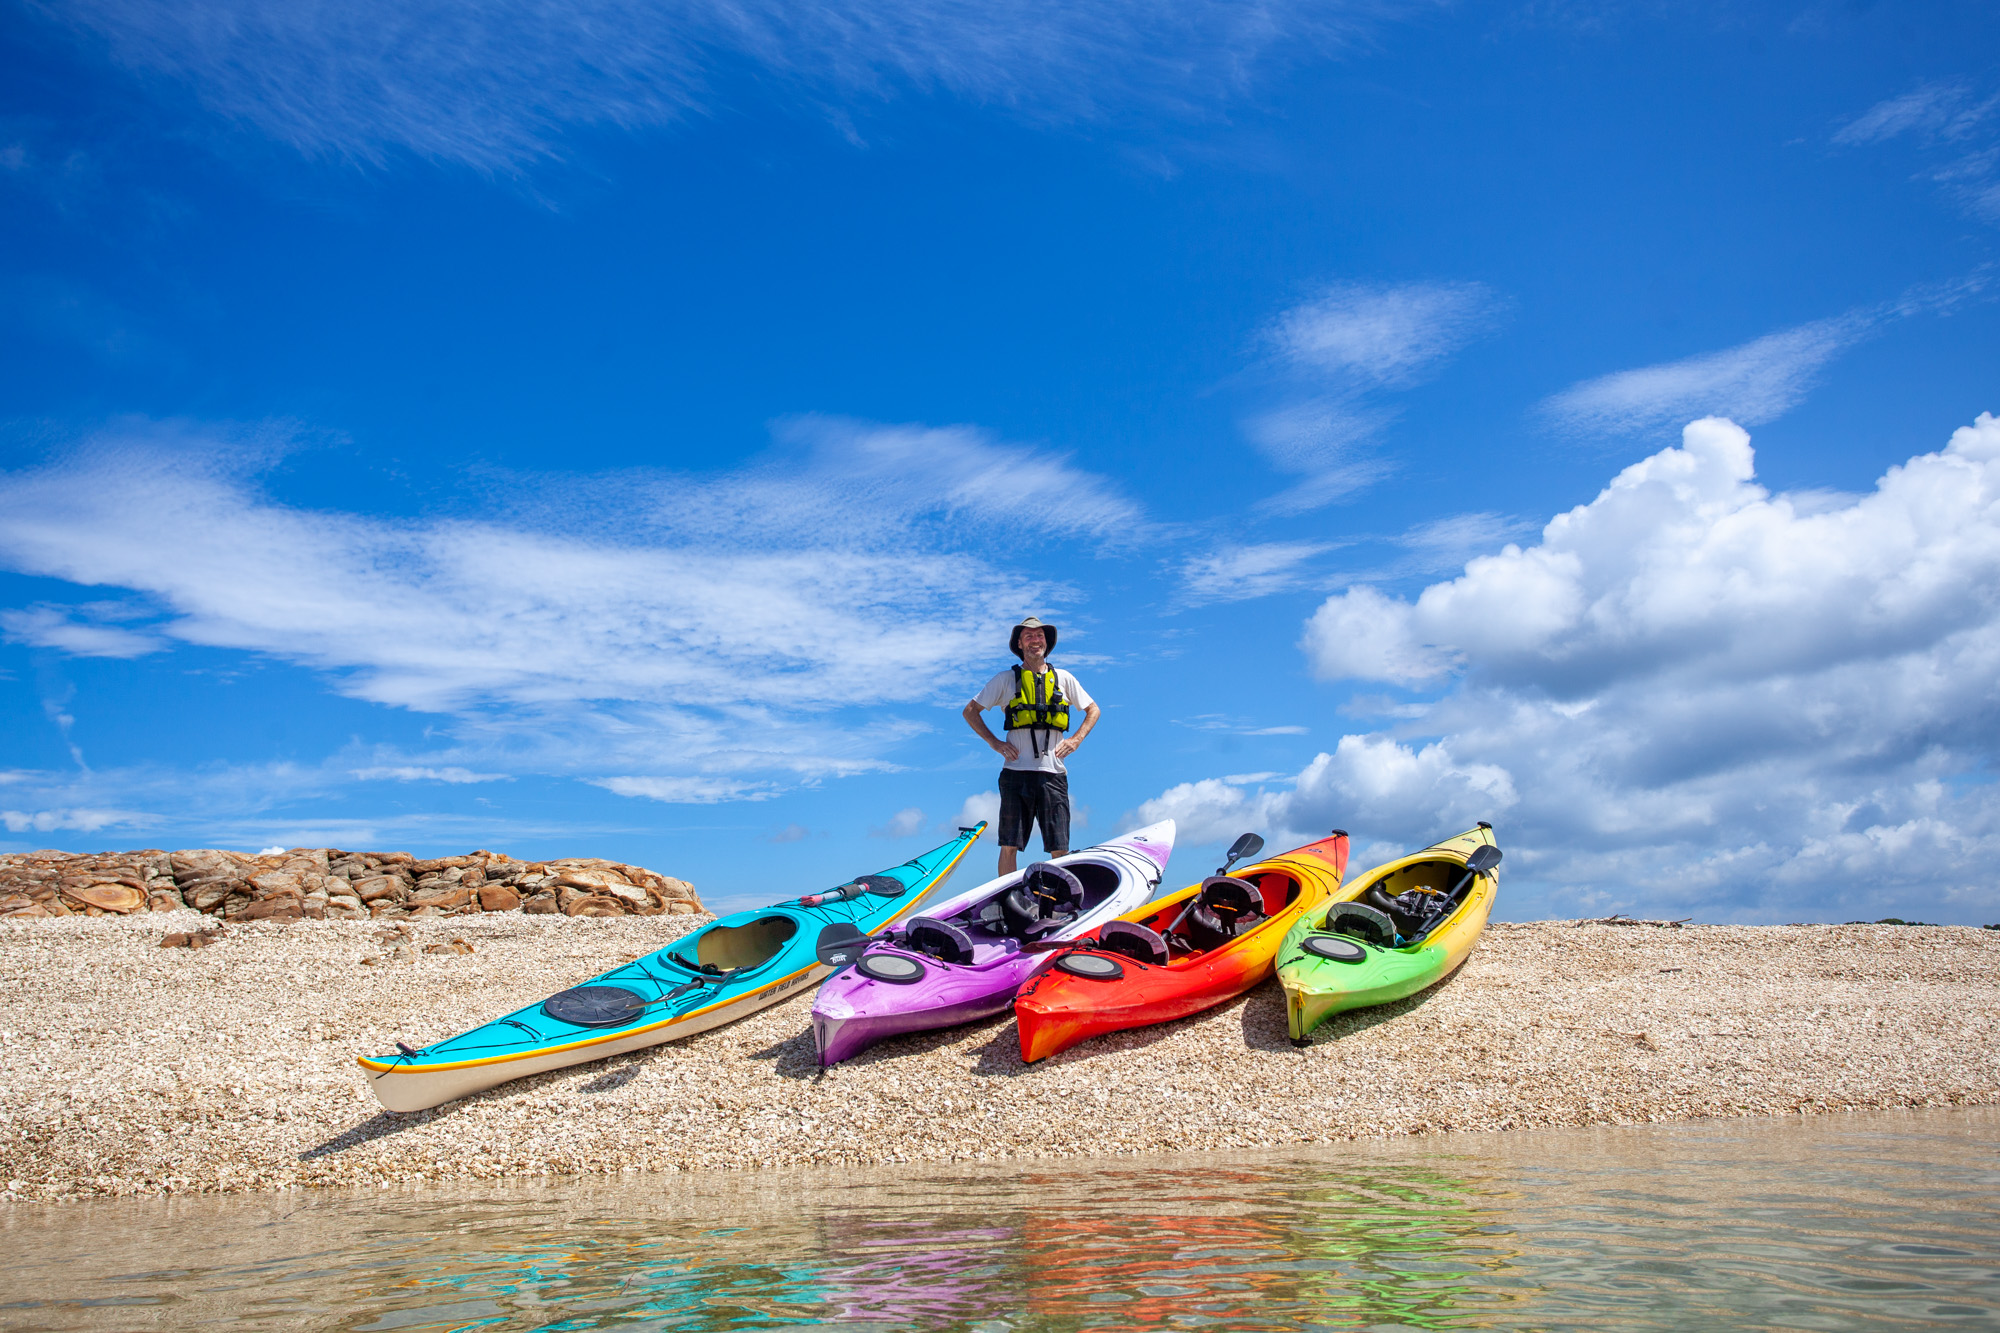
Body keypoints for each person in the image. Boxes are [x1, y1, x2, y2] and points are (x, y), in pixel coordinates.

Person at [961, 617, 1101, 877]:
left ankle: (1060, 901)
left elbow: (1093, 709)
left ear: (1046, 642)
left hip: (1053, 774)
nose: (1035, 640)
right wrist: (995, 742)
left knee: (1060, 847)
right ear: (1020, 643)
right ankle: (1006, 900)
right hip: (1016, 773)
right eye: (1029, 636)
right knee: (1009, 844)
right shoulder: (1005, 680)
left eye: (1040, 636)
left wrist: (1076, 740)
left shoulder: (1064, 678)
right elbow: (970, 711)